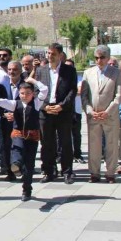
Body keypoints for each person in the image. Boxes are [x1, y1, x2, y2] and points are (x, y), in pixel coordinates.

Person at [0, 78, 49, 200]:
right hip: (18, 133)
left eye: (28, 93)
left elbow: (44, 89)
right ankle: (16, 164)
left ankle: (26, 189)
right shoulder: (15, 104)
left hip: (32, 136)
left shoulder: (36, 103)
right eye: (22, 93)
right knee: (17, 148)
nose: (25, 96)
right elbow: (3, 102)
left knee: (29, 164)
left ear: (33, 94)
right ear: (19, 94)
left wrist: (34, 81)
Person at [82, 44, 121, 183]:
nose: (99, 60)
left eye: (102, 58)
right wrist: (89, 110)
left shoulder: (117, 73)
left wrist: (108, 111)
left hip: (110, 115)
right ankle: (94, 173)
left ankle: (110, 173)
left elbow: (119, 96)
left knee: (112, 145)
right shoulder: (88, 73)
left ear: (108, 58)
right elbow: (84, 95)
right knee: (93, 145)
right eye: (96, 58)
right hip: (93, 115)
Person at [36, 43, 77, 184]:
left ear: (60, 55)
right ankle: (49, 171)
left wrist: (61, 106)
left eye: (53, 54)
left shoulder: (69, 70)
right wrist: (45, 106)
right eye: (48, 53)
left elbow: (72, 91)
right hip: (46, 112)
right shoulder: (40, 71)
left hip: (63, 111)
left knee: (65, 142)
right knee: (47, 143)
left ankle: (67, 172)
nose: (50, 56)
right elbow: (36, 92)